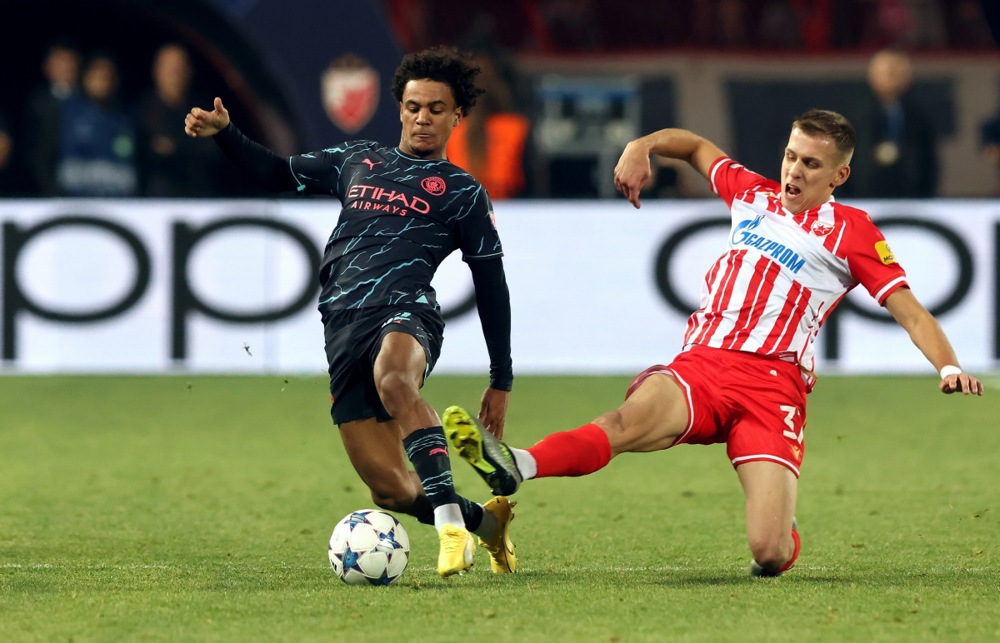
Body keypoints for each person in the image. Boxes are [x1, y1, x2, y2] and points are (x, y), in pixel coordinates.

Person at [443, 109, 983, 578]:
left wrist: (947, 366)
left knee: (768, 552)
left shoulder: (853, 231)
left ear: (840, 174)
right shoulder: (751, 194)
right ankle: (517, 463)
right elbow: (697, 147)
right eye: (791, 156)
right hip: (703, 366)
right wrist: (642, 145)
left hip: (775, 388)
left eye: (811, 164)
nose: (794, 170)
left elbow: (910, 311)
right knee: (625, 422)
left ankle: (781, 527)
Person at [184, 46, 516, 578]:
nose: (422, 118)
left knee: (395, 380)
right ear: (399, 108)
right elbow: (276, 173)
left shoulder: (463, 193)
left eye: (436, 108)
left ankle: (452, 526)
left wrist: (501, 377)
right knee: (391, 489)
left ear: (457, 115)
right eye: (413, 107)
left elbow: (491, 283)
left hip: (406, 311)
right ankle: (486, 522)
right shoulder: (358, 160)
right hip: (342, 326)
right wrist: (226, 132)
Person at [844, 48, 939, 198]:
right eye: (888, 73)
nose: (892, 78)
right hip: (864, 196)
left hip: (910, 196)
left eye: (898, 73)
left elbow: (929, 162)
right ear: (873, 76)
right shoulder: (854, 115)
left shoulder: (919, 117)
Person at [138, 43, 222, 197]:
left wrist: (176, 149)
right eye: (169, 69)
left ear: (190, 72)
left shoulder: (204, 112)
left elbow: (216, 152)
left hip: (199, 199)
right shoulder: (141, 112)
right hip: (152, 204)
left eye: (179, 69)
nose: (175, 75)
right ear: (156, 71)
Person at [56, 53, 138, 197]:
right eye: (99, 76)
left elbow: (129, 169)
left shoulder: (125, 119)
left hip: (119, 204)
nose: (104, 82)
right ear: (86, 78)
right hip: (73, 203)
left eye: (109, 77)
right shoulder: (66, 114)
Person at [24, 42, 81, 196]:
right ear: (47, 67)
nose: (67, 67)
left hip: (84, 184)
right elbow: (36, 153)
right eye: (60, 62)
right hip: (47, 190)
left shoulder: (90, 102)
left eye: (70, 61)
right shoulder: (37, 103)